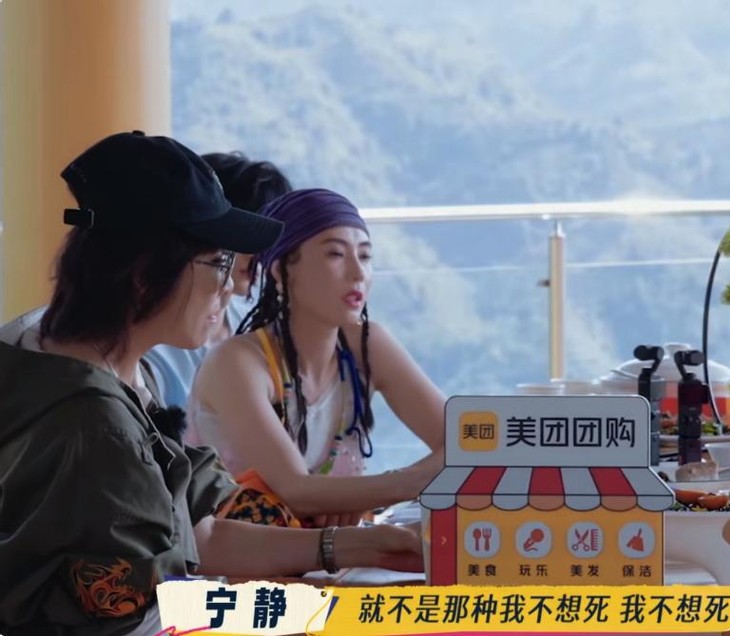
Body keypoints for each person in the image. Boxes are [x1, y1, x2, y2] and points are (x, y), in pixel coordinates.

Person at [0, 132, 423, 636]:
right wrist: (320, 613)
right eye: (220, 262)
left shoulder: (76, 352)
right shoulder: (94, 424)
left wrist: (357, 546)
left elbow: (201, 535)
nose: (232, 287)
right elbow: (138, 617)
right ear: (144, 275)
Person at [188, 187, 446, 528]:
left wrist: (351, 495)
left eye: (365, 256)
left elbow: (469, 443)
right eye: (336, 254)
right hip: (240, 558)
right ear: (281, 270)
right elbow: (297, 491)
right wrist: (405, 483)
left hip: (341, 550)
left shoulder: (366, 345)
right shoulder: (236, 362)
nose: (358, 273)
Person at [141, 151, 294, 415]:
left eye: (268, 241)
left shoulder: (253, 322)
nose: (260, 256)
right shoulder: (154, 346)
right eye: (247, 237)